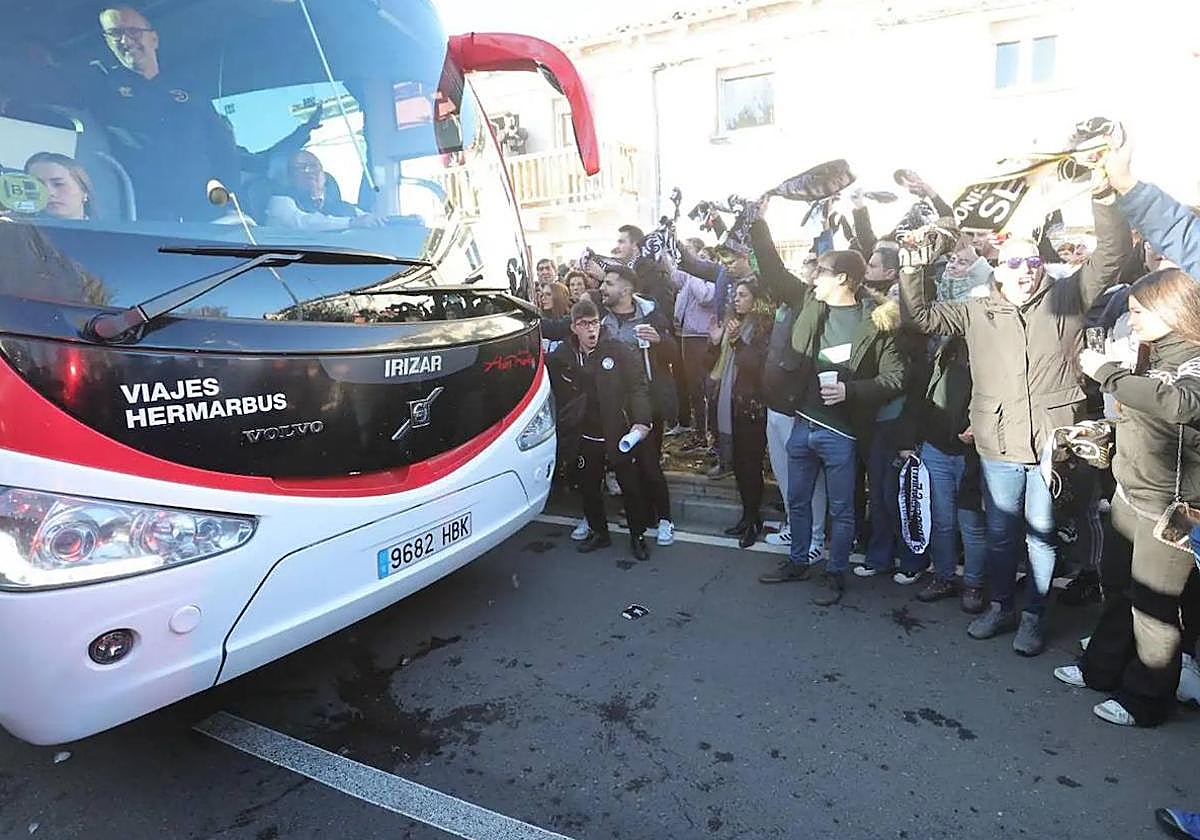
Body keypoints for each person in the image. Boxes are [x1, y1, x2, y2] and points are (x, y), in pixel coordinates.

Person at [899, 189, 1132, 656]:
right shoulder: (977, 310)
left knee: (1041, 536)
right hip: (997, 441)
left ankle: (1033, 617)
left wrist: (1105, 196)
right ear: (998, 270)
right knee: (1001, 533)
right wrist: (913, 266)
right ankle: (1001, 606)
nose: (1025, 270)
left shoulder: (1067, 298)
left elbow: (1112, 255)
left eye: (1032, 261)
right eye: (1013, 263)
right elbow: (920, 317)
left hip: (1050, 442)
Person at [1051, 268, 1200, 727]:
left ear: (1170, 309)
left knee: (1155, 608)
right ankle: (1101, 669)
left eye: (1138, 311)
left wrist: (1107, 373)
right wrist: (1100, 432)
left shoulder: (1194, 357)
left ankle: (1146, 700)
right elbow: (1140, 413)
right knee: (1116, 589)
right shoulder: (1149, 352)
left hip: (1172, 507)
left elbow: (1181, 404)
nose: (1131, 320)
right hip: (1130, 492)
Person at [751, 210, 907, 605]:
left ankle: (835, 572)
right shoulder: (810, 301)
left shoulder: (877, 321)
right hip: (802, 422)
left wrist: (850, 391)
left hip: (843, 432)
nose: (813, 277)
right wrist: (758, 221)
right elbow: (772, 269)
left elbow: (896, 377)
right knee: (797, 501)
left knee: (841, 509)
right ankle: (798, 561)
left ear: (843, 279)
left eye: (821, 271)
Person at [92, 5, 239, 221]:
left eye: (133, 31)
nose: (125, 41)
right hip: (139, 221)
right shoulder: (100, 93)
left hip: (207, 219)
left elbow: (222, 147)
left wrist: (231, 203)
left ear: (154, 39)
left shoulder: (191, 89)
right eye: (115, 33)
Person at [547, 299, 654, 561]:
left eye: (594, 323)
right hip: (584, 433)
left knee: (630, 485)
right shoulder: (564, 355)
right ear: (574, 327)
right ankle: (599, 532)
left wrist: (641, 419)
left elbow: (638, 386)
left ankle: (638, 535)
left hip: (617, 430)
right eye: (584, 324)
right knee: (588, 485)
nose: (591, 329)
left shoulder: (616, 350)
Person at [599, 265, 678, 547]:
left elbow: (674, 353)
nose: (602, 288)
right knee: (625, 465)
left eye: (609, 283)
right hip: (614, 406)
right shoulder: (601, 319)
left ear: (627, 289)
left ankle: (665, 519)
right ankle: (641, 516)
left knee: (649, 464)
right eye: (603, 283)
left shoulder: (651, 314)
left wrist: (660, 340)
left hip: (648, 403)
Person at [707, 280, 771, 547]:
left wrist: (736, 342)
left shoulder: (763, 328)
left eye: (743, 295)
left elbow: (754, 365)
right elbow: (712, 365)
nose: (736, 299)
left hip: (751, 407)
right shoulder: (732, 324)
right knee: (740, 467)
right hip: (729, 402)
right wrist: (715, 343)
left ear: (756, 300)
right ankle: (746, 517)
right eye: (735, 295)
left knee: (750, 466)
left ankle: (754, 520)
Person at [669, 240, 720, 445]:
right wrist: (666, 252)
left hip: (702, 336)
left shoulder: (713, 278)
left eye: (702, 259)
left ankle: (707, 435)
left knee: (703, 386)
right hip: (686, 334)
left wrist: (694, 273)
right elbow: (674, 278)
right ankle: (699, 432)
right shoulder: (690, 276)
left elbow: (705, 297)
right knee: (693, 387)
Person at [265, 149, 384, 232]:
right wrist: (351, 223)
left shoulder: (345, 207)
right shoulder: (280, 202)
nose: (309, 171)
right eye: (300, 168)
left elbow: (369, 219)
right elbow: (303, 223)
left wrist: (376, 220)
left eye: (313, 166)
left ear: (324, 176)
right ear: (290, 178)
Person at [25, 152, 93, 221]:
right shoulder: (20, 226)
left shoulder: (98, 227)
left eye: (58, 184)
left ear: (84, 191)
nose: (49, 193)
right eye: (38, 186)